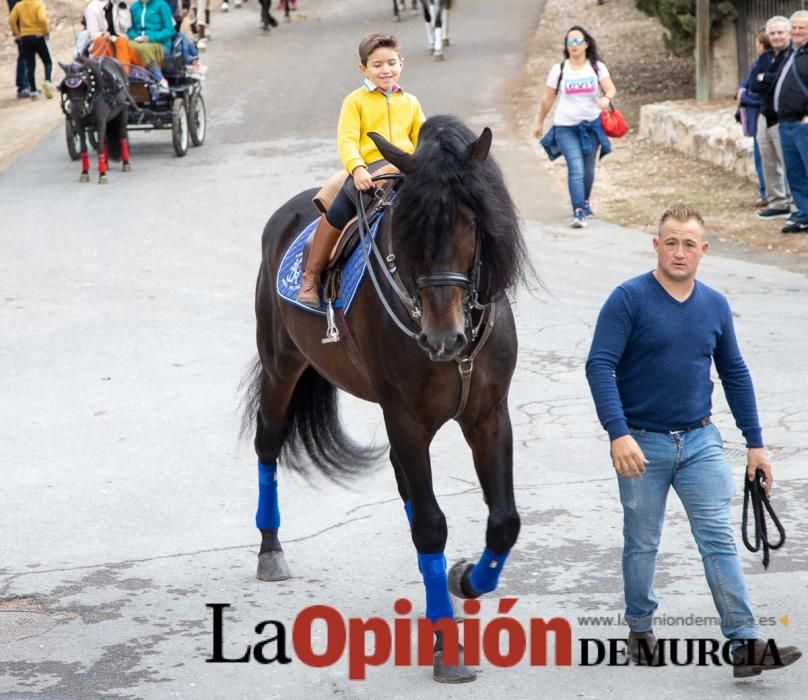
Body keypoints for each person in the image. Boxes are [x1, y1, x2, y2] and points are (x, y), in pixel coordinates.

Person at [585, 203, 802, 676]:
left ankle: (745, 645)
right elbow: (599, 365)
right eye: (671, 241)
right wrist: (618, 435)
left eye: (689, 244)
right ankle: (640, 625)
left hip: (701, 441)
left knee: (718, 540)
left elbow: (735, 373)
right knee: (642, 542)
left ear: (703, 251)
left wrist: (756, 444)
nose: (679, 252)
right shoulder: (628, 299)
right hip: (642, 445)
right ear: (656, 245)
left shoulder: (715, 305)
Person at [296, 32, 426, 308]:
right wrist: (357, 169)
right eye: (377, 65)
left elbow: (422, 139)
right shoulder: (355, 101)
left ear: (401, 63)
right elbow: (347, 139)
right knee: (339, 210)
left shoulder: (411, 102)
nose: (385, 70)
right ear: (363, 69)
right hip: (369, 172)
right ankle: (311, 276)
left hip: (406, 171)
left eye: (391, 63)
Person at [533, 25, 617, 229]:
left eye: (578, 41)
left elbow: (610, 88)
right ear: (566, 46)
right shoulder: (559, 70)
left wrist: (606, 98)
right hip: (565, 127)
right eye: (570, 42)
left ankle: (585, 202)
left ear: (586, 44)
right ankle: (578, 210)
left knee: (588, 171)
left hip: (592, 127)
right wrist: (540, 121)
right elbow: (547, 99)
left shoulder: (597, 67)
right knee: (576, 169)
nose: (574, 45)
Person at [748, 16, 793, 221]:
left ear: (789, 34)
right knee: (767, 159)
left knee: (788, 160)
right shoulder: (765, 58)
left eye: (780, 33)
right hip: (763, 114)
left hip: (782, 115)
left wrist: (765, 78)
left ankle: (795, 202)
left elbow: (781, 81)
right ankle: (777, 202)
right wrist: (765, 78)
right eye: (772, 33)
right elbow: (753, 83)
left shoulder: (792, 55)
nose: (776, 37)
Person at [775, 11, 808, 234]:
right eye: (794, 28)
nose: (796, 32)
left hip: (802, 124)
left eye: (801, 28)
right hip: (786, 123)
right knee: (795, 173)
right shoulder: (792, 53)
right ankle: (804, 215)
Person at [736, 30, 770, 208]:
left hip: (760, 116)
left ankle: (767, 193)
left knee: (764, 158)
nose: (755, 47)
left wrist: (744, 97)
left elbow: (759, 93)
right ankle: (765, 192)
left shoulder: (767, 65)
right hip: (754, 117)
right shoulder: (758, 64)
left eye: (757, 43)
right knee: (759, 157)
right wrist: (742, 90)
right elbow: (745, 83)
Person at [7, 0, 53, 100]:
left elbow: (11, 20)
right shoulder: (38, 4)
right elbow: (42, 19)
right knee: (47, 61)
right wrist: (45, 32)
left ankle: (33, 91)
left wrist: (18, 34)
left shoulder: (19, 5)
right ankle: (48, 81)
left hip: (25, 37)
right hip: (38, 36)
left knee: (30, 64)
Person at [128, 0, 175, 88]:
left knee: (144, 49)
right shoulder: (134, 7)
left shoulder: (162, 5)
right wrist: (135, 37)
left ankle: (159, 78)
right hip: (137, 42)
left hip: (160, 43)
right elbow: (130, 29)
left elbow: (169, 30)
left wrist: (150, 38)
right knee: (125, 45)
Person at [7, 0, 29, 98]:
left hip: (25, 29)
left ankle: (26, 86)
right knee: (24, 57)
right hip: (22, 30)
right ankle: (23, 87)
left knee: (27, 58)